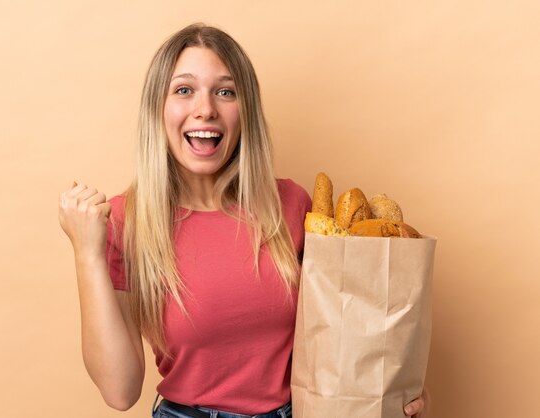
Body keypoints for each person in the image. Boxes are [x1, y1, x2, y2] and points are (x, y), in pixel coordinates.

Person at [58, 23, 428, 418]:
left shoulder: (291, 204)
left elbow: (344, 335)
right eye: (184, 90)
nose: (205, 109)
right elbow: (120, 390)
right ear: (158, 108)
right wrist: (87, 253)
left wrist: (388, 393)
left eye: (225, 91)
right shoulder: (125, 222)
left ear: (245, 109)